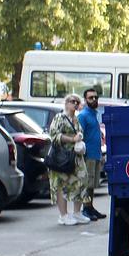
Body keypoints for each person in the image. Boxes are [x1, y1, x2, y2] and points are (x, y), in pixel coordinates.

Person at [47, 94, 90, 227]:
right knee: (61, 185)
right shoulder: (60, 117)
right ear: (66, 103)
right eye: (73, 101)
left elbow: (79, 134)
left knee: (82, 181)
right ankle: (63, 215)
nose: (75, 104)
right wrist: (72, 139)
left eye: (77, 102)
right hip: (62, 158)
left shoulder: (76, 119)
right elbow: (54, 135)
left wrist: (79, 140)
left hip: (76, 157)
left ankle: (77, 212)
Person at [78, 87, 106, 221]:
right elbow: (79, 135)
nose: (94, 99)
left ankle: (90, 207)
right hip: (87, 154)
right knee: (87, 183)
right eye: (91, 98)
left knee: (93, 183)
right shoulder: (83, 115)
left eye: (95, 97)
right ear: (85, 100)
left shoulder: (94, 114)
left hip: (96, 153)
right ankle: (85, 209)